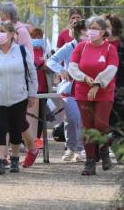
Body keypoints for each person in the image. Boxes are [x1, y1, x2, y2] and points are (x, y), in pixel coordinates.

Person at [0, 21, 38, 174]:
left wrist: (32, 94)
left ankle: (15, 158)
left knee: (16, 129)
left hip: (19, 97)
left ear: (11, 34)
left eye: (3, 31)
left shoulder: (22, 51)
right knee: (0, 128)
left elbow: (32, 74)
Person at [69, 16, 119, 175]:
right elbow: (73, 67)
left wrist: (97, 84)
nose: (92, 31)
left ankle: (104, 152)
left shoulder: (110, 49)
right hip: (83, 91)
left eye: (96, 28)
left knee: (100, 125)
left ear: (104, 32)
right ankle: (90, 162)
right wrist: (84, 78)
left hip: (104, 92)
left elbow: (111, 68)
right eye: (90, 28)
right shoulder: (81, 47)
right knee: (88, 127)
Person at [0, 1, 39, 167]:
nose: (0, 17)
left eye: (1, 14)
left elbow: (29, 60)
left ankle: (28, 150)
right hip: (3, 83)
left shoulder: (21, 32)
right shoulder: (1, 31)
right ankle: (13, 153)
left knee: (17, 121)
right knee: (11, 121)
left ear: (8, 16)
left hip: (18, 84)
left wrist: (31, 90)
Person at [47, 20, 86, 162]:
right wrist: (61, 70)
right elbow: (50, 61)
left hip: (86, 88)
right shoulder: (68, 47)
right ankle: (71, 147)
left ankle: (80, 150)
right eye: (87, 30)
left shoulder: (92, 47)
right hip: (69, 88)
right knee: (73, 117)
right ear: (81, 32)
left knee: (81, 118)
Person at [104, 14, 124, 142]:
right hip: (103, 89)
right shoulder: (98, 44)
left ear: (115, 27)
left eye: (107, 26)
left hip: (120, 89)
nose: (104, 29)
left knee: (121, 121)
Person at [30, 28, 50, 148]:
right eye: (34, 37)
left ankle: (38, 138)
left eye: (39, 36)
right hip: (30, 88)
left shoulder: (45, 51)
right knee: (28, 114)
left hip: (43, 86)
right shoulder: (27, 50)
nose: (37, 39)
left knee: (41, 115)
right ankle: (25, 139)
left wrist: (46, 67)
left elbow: (51, 67)